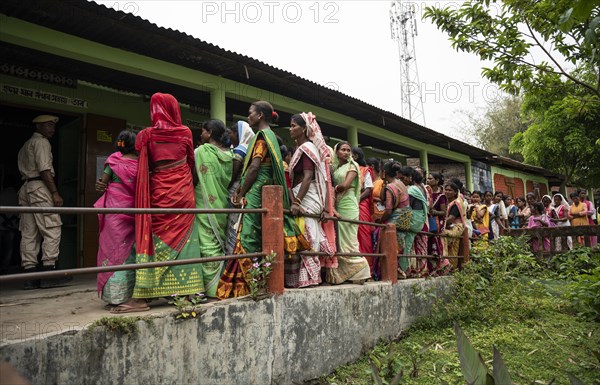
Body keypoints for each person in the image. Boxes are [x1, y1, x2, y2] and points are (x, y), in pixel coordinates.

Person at [122, 92, 203, 312]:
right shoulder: (186, 132)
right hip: (183, 193)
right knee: (185, 241)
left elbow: (144, 167)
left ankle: (143, 297)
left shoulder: (145, 135)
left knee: (153, 238)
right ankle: (186, 295)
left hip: (158, 192)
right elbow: (190, 162)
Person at [218, 101, 308, 298]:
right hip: (265, 190)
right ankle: (257, 280)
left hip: (256, 191)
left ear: (259, 116)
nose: (248, 116)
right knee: (257, 236)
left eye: (250, 113)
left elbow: (254, 167)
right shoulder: (272, 138)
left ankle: (246, 285)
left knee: (246, 236)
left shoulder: (261, 138)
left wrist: (241, 193)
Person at [17, 114, 71, 290]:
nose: (52, 129)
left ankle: (29, 276)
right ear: (38, 127)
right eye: (48, 125)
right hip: (39, 187)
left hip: (26, 188)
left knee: (29, 232)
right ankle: (49, 272)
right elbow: (44, 169)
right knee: (51, 227)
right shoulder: (41, 142)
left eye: (53, 126)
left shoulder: (26, 145)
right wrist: (55, 192)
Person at [285, 112, 336, 288]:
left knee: (309, 232)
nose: (290, 129)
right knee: (306, 231)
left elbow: (307, 177)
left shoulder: (307, 149)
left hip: (307, 196)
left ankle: (309, 277)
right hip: (304, 195)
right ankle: (305, 277)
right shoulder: (304, 148)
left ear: (304, 129)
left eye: (294, 126)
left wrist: (297, 201)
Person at [94, 130, 138, 310]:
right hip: (134, 212)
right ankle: (128, 295)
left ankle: (114, 297)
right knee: (130, 254)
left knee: (111, 251)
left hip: (114, 212)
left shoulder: (113, 161)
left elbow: (101, 185)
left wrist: (102, 185)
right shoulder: (140, 164)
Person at [194, 119, 233, 298]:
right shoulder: (229, 156)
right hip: (221, 203)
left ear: (209, 133)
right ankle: (218, 284)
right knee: (217, 242)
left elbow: (194, 176)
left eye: (203, 131)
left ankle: (209, 287)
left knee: (205, 242)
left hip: (204, 202)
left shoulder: (202, 151)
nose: (200, 134)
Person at [327, 141, 371, 284]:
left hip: (349, 203)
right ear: (337, 152)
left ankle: (362, 270)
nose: (346, 152)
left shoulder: (353, 166)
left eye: (348, 150)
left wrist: (332, 189)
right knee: (341, 240)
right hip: (339, 203)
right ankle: (350, 275)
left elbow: (345, 185)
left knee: (349, 239)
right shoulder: (336, 167)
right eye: (343, 150)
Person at [226, 121, 255, 255]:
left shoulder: (240, 149)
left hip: (236, 188)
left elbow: (234, 171)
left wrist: (228, 185)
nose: (229, 136)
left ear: (238, 134)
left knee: (233, 221)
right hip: (245, 189)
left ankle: (231, 254)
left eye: (231, 133)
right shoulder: (250, 148)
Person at [398, 166, 428, 277]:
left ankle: (403, 269)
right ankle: (408, 269)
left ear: (410, 178)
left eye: (402, 178)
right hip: (419, 220)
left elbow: (407, 207)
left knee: (405, 244)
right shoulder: (420, 188)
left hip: (413, 220)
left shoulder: (411, 190)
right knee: (409, 245)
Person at [352, 147, 374, 264]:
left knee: (364, 233)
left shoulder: (365, 170)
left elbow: (368, 189)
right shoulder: (344, 168)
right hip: (348, 204)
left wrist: (356, 199)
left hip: (361, 203)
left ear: (355, 156)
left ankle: (367, 265)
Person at [442, 181, 466, 270]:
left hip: (456, 227)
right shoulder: (449, 202)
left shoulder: (456, 203)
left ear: (455, 192)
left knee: (443, 236)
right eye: (446, 190)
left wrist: (440, 223)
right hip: (450, 226)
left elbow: (451, 218)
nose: (447, 192)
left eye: (450, 190)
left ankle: (450, 266)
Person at [426, 172, 447, 259]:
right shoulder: (426, 191)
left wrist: (435, 212)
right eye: (427, 178)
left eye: (430, 179)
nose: (428, 180)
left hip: (435, 222)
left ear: (437, 180)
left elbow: (444, 212)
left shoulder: (441, 196)